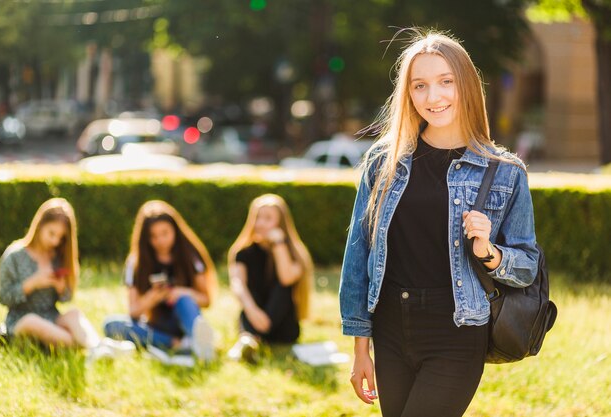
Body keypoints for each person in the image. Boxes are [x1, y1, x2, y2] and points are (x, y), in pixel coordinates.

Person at [339, 31, 539, 417]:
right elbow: (358, 254)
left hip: (457, 330)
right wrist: (360, 345)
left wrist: (489, 252)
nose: (434, 97)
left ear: (465, 84)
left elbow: (528, 265)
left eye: (446, 81)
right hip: (391, 329)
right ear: (408, 94)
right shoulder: (384, 162)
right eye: (421, 85)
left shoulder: (506, 172)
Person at [0, 198, 135, 359]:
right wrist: (33, 283)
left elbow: (66, 297)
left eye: (61, 238)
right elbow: (4, 297)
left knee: (74, 315)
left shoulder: (58, 256)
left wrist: (61, 288)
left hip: (51, 317)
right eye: (51, 233)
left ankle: (96, 347)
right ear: (39, 225)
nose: (55, 241)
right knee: (32, 320)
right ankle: (95, 348)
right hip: (20, 321)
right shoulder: (15, 255)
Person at [103, 200, 217, 362]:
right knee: (111, 325)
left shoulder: (190, 255)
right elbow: (133, 311)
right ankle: (179, 344)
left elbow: (206, 300)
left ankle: (196, 341)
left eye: (165, 233)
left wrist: (181, 293)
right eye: (154, 236)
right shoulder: (136, 262)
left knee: (185, 301)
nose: (160, 241)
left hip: (184, 319)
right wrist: (153, 297)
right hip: (154, 326)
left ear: (175, 230)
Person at [227, 194, 313, 362]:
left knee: (283, 287)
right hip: (254, 318)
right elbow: (238, 284)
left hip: (283, 328)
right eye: (258, 217)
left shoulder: (294, 254)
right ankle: (248, 342)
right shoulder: (243, 253)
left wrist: (278, 244)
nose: (260, 223)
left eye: (268, 218)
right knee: (249, 294)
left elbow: (287, 278)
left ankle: (250, 340)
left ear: (280, 223)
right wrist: (253, 310)